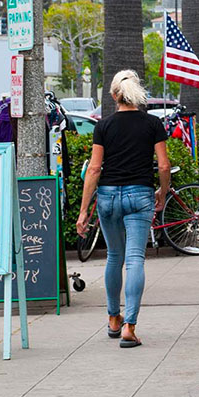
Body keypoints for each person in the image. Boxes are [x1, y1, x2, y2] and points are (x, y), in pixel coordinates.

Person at [77, 70, 171, 349]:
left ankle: (113, 319)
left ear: (114, 96)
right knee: (134, 260)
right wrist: (162, 193)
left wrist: (84, 211)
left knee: (114, 258)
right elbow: (164, 165)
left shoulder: (102, 126)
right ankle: (130, 326)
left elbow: (94, 168)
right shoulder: (152, 124)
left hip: (107, 196)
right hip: (140, 194)